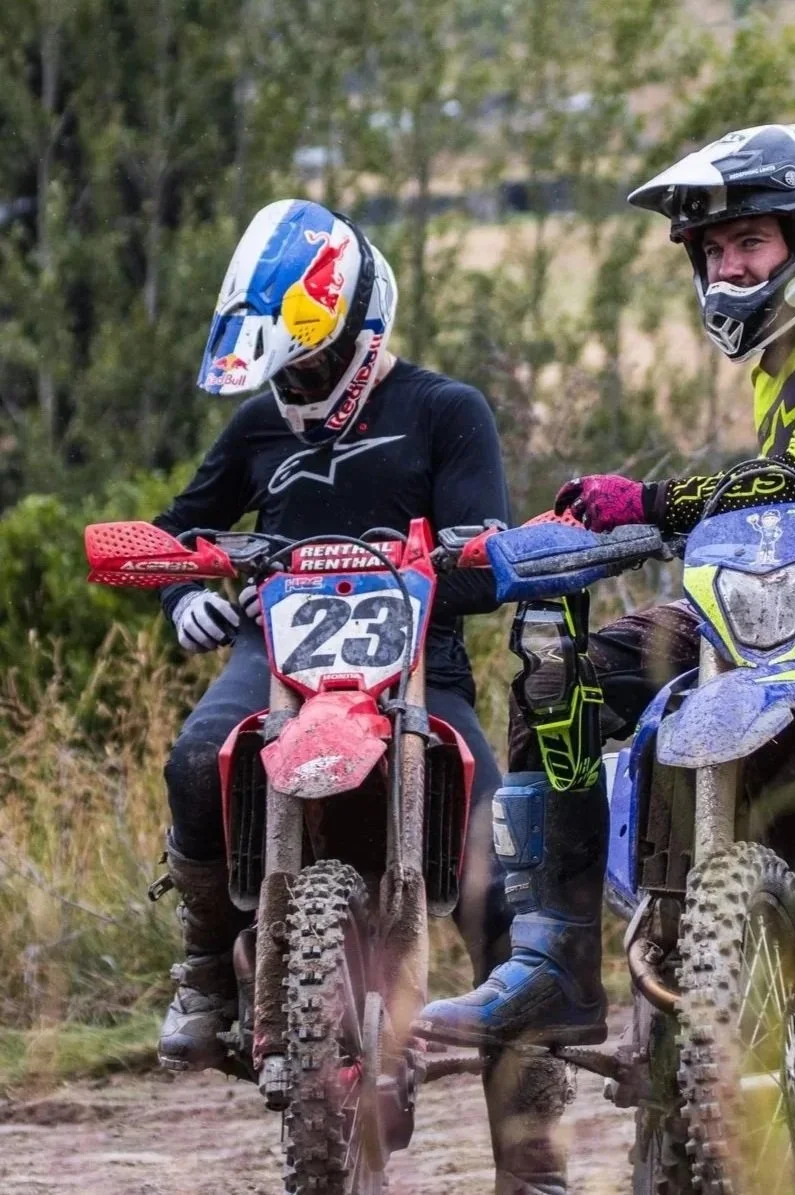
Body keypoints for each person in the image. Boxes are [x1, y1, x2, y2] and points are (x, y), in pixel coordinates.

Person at [416, 123, 795, 1192]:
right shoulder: (784, 353)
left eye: (752, 242)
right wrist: (497, 556)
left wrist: (658, 500)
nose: (728, 267)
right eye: (713, 250)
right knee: (561, 673)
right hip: (766, 625)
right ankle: (552, 951)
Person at [154, 200, 566, 1193]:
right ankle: (209, 973)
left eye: (309, 359)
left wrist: (425, 561)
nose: (294, 380)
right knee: (194, 755)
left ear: (359, 326)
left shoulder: (444, 409)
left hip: (421, 668)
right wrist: (182, 597)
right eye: (283, 365)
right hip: (278, 657)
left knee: (507, 876)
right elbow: (179, 530)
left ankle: (535, 1167)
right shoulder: (259, 424)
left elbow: (484, 556)